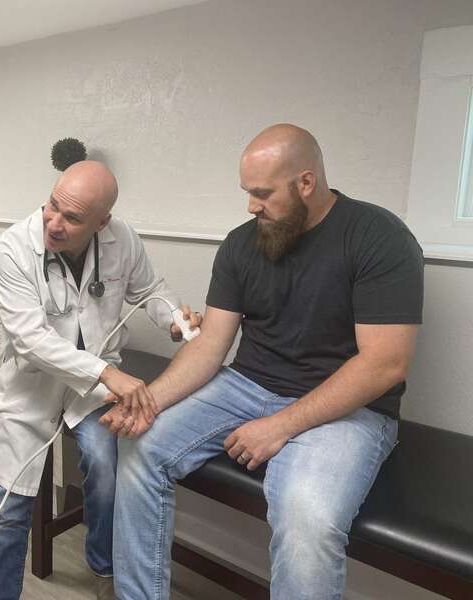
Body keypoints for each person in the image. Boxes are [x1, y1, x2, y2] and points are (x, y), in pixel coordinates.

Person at [104, 124, 424, 599]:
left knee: (307, 516)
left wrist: (280, 425)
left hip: (349, 409)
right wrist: (145, 402)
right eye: (247, 193)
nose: (251, 205)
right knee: (140, 449)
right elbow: (211, 345)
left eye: (262, 193)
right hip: (246, 386)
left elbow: (384, 365)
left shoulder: (379, 237)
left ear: (306, 183)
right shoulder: (240, 243)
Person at [0, 160, 201, 600]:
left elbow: (149, 290)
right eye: (52, 206)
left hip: (94, 388)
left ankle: (104, 568)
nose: (55, 223)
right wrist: (107, 373)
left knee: (105, 469)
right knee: (9, 511)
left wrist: (176, 320)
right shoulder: (12, 248)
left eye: (73, 217)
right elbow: (30, 341)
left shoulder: (122, 240)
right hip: (32, 385)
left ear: (103, 222)